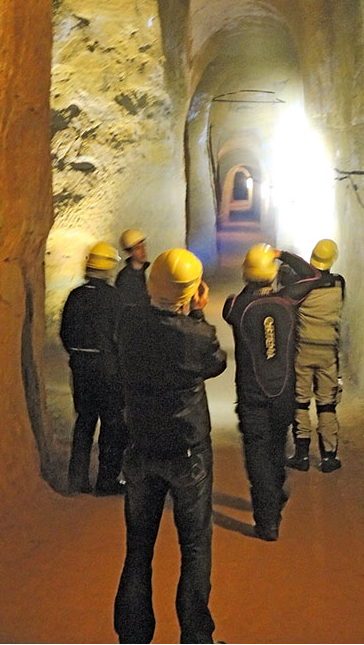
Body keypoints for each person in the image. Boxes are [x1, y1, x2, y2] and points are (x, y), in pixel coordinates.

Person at [114, 248, 227, 645]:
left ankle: (132, 636)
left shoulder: (128, 325)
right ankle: (196, 638)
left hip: (141, 449)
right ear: (193, 292)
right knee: (194, 548)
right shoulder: (196, 335)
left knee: (138, 550)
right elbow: (216, 363)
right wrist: (195, 313)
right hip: (187, 452)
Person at [222, 243, 311, 541]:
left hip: (251, 396)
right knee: (276, 447)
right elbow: (313, 277)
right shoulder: (288, 300)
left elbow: (239, 306)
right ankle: (274, 493)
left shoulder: (235, 305)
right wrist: (281, 254)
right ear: (273, 274)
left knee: (257, 454)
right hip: (283, 391)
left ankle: (267, 521)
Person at [59, 241, 127, 495]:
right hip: (108, 367)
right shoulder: (114, 298)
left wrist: (78, 357)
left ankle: (77, 479)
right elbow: (120, 335)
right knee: (112, 423)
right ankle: (106, 480)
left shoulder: (75, 296)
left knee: (85, 421)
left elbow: (65, 333)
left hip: (81, 367)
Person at [281, 238, 346, 473]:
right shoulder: (339, 284)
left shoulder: (302, 287)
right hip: (328, 351)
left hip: (303, 350)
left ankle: (302, 454)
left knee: (301, 401)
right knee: (327, 405)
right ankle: (329, 456)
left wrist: (282, 255)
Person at [115, 228, 151, 307]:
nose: (143, 251)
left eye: (143, 246)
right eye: (138, 248)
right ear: (129, 252)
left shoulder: (144, 272)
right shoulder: (124, 278)